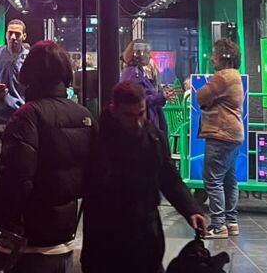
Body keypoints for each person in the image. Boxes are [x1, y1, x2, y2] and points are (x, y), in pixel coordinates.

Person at [0, 40, 95, 273]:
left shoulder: (27, 116)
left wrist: (1, 223)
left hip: (29, 240)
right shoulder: (83, 115)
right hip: (66, 236)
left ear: (29, 72)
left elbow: (15, 180)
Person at [81, 80, 208, 273]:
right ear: (114, 110)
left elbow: (168, 176)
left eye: (141, 113)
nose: (137, 122)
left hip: (147, 238)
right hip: (107, 242)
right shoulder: (98, 141)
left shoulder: (154, 137)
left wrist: (190, 209)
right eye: (129, 116)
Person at [196, 38, 245, 240]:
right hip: (234, 134)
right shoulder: (235, 75)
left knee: (213, 179)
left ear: (224, 56)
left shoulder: (223, 77)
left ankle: (218, 225)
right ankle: (231, 222)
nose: (212, 58)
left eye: (215, 54)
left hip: (221, 133)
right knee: (229, 180)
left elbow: (201, 96)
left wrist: (206, 101)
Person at [120, 41, 168, 136]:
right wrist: (161, 97)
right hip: (143, 129)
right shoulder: (133, 75)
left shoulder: (136, 73)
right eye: (147, 53)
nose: (150, 56)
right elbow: (139, 100)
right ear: (138, 54)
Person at [0, 18, 31, 128]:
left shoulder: (30, 58)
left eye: (17, 34)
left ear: (24, 36)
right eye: (10, 33)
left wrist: (7, 97)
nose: (13, 37)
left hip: (21, 114)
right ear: (6, 35)